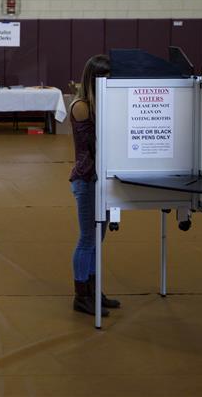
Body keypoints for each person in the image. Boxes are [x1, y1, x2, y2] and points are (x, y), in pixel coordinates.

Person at [69, 54, 121, 317]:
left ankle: (93, 289)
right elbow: (96, 145)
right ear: (95, 79)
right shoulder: (82, 106)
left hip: (102, 179)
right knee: (88, 239)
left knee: (98, 239)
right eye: (107, 77)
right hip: (87, 179)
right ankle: (81, 296)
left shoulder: (100, 103)